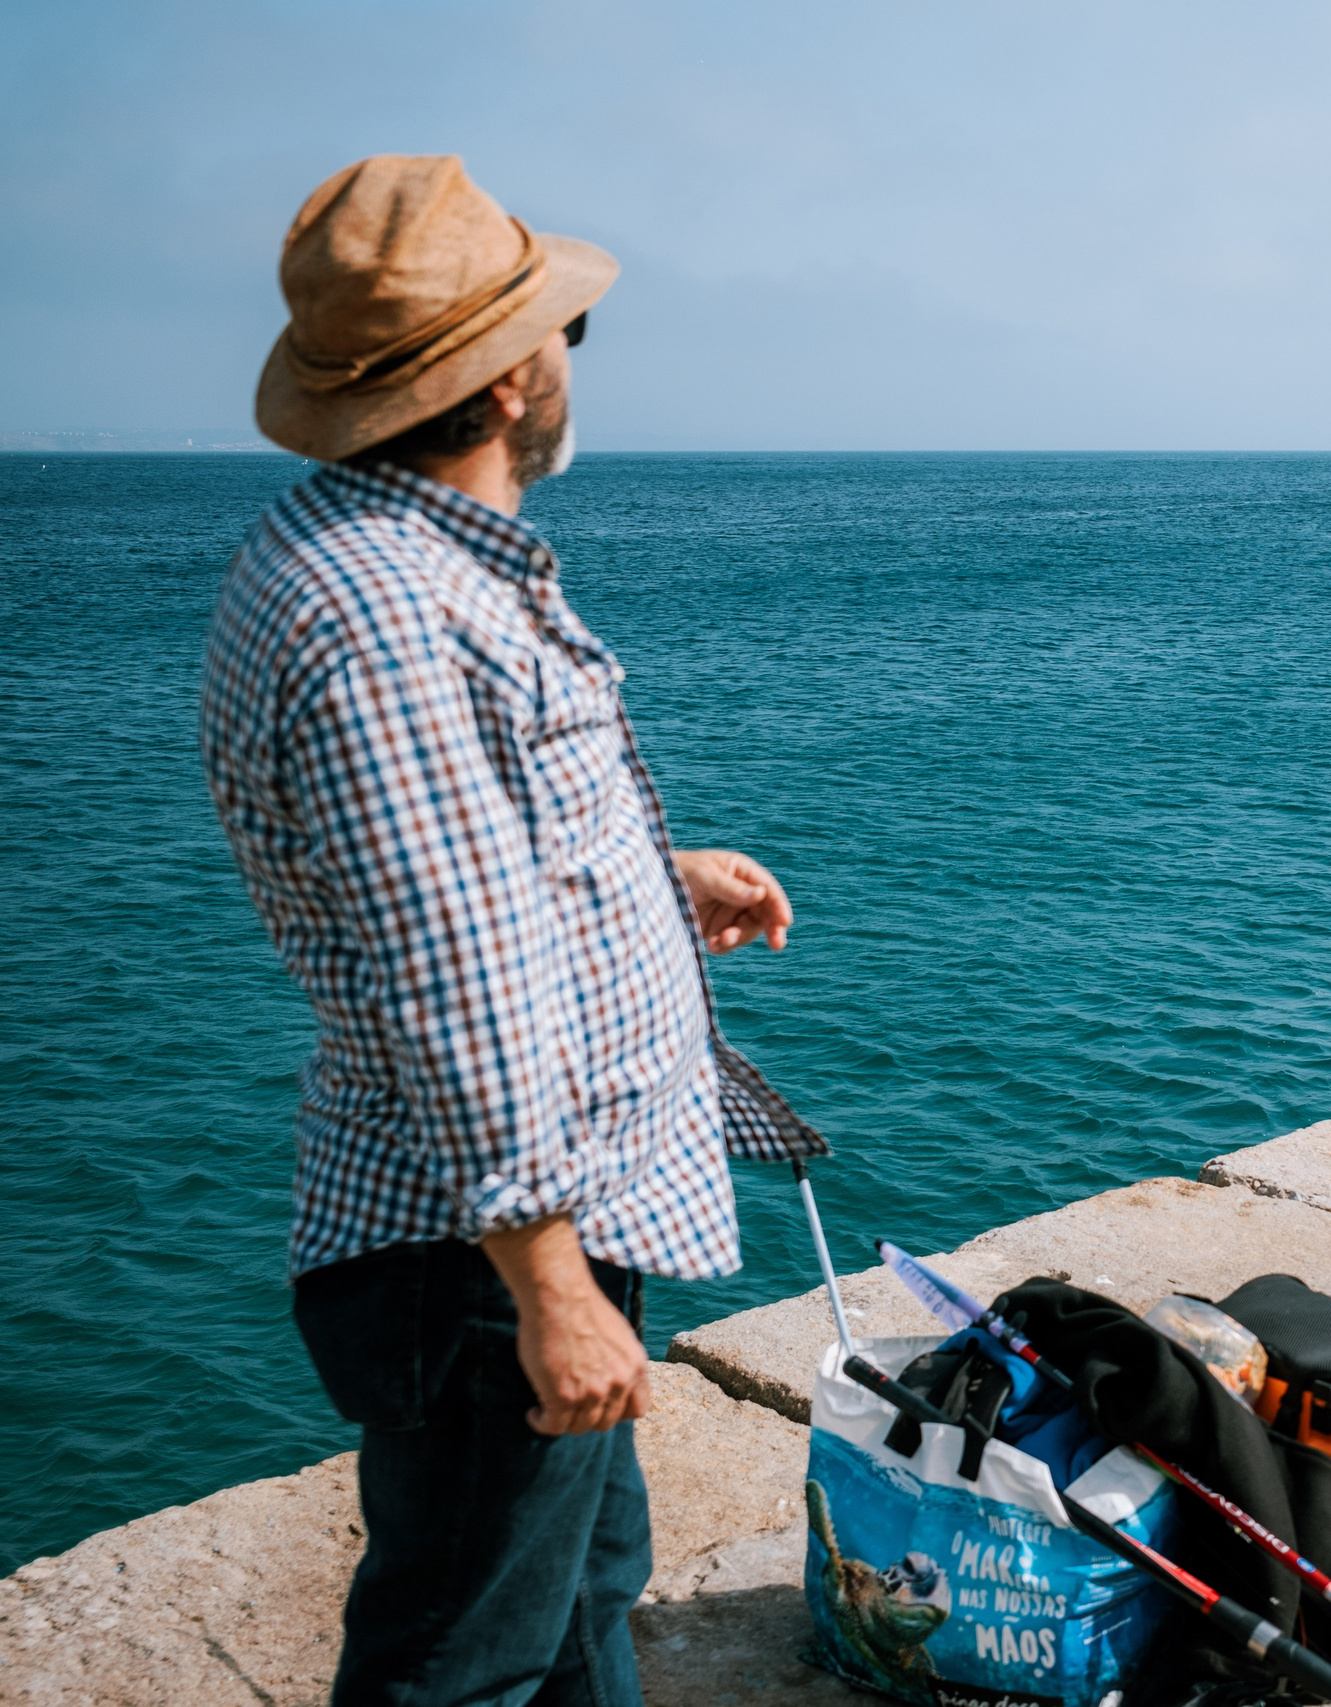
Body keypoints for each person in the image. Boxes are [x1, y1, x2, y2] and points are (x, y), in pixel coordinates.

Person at [201, 155, 825, 1706]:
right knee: (458, 1659)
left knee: (581, 1602)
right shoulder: (392, 622)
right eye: (563, 333)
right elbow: (446, 980)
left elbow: (450, 873)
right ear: (503, 377)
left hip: (514, 1221)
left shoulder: (373, 563)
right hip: (475, 1248)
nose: (566, 363)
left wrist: (650, 873)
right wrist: (547, 1286)